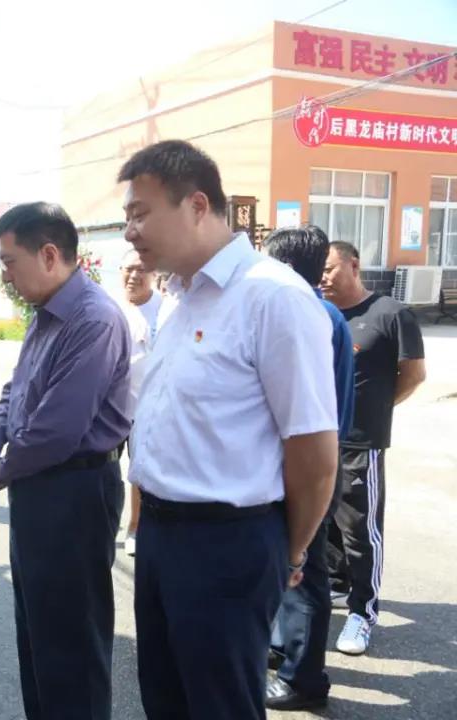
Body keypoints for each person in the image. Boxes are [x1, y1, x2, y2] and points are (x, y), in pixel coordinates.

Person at [119, 140, 338, 719]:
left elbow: (314, 452)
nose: (130, 232)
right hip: (161, 535)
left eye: (140, 213)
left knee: (219, 706)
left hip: (226, 544)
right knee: (165, 699)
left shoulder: (272, 297)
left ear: (196, 205)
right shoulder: (179, 297)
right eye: (127, 217)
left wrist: (289, 548)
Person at [0, 202, 131, 720]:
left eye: (8, 261)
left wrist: (3, 467)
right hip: (40, 488)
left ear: (48, 255)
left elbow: (57, 430)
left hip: (74, 492)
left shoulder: (93, 319)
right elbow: (16, 391)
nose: (4, 275)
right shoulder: (47, 314)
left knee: (71, 643)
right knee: (39, 633)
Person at [263, 225, 356, 710]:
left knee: (305, 569)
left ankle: (303, 678)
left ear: (281, 266)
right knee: (292, 563)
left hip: (309, 460)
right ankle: (285, 649)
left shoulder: (309, 313)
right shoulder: (322, 313)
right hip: (313, 454)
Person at [321, 240, 426, 656]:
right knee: (325, 522)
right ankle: (337, 584)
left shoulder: (390, 314)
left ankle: (363, 612)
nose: (323, 278)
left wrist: (379, 409)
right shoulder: (322, 313)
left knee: (360, 530)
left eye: (330, 269)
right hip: (319, 439)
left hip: (361, 442)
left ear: (354, 265)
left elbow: (413, 374)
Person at [117, 248, 162, 557]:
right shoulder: (110, 307)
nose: (134, 276)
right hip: (112, 408)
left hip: (149, 409)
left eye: (141, 269)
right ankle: (105, 525)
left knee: (140, 472)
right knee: (104, 468)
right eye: (128, 269)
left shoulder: (166, 308)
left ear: (154, 274)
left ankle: (135, 526)